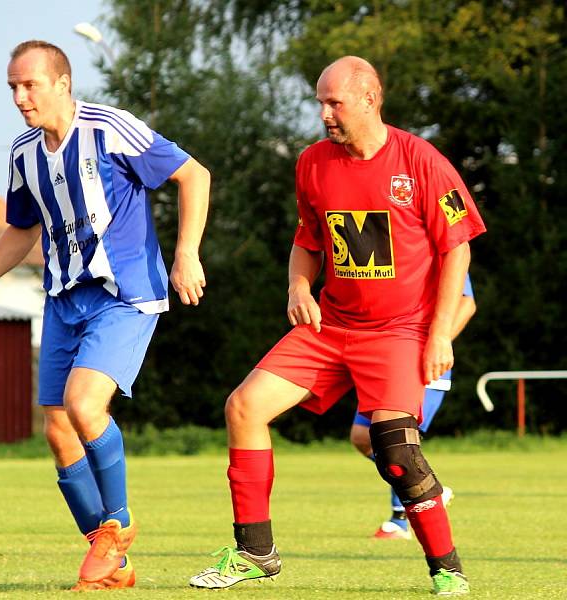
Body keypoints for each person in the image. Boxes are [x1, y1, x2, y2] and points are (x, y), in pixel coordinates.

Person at [189, 55, 485, 596]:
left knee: (393, 447)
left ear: (370, 98)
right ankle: (256, 551)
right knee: (244, 407)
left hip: (398, 330)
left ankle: (447, 567)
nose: (324, 113)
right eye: (320, 102)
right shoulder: (313, 163)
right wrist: (298, 288)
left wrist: (440, 332)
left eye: (334, 102)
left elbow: (458, 250)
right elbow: (308, 240)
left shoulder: (421, 160)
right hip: (331, 327)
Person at [0, 40, 210, 590]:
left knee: (83, 403)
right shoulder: (24, 153)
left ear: (63, 83)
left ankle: (119, 526)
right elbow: (22, 231)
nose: (21, 98)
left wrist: (186, 252)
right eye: (13, 88)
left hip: (126, 293)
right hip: (64, 297)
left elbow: (194, 175)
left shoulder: (111, 128)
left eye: (31, 85)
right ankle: (110, 558)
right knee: (58, 430)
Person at [351, 275, 476, 540]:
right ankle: (430, 490)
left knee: (396, 440)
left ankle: (400, 520)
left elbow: (467, 303)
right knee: (362, 437)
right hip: (384, 357)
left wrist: (436, 343)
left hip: (422, 360)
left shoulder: (435, 244)